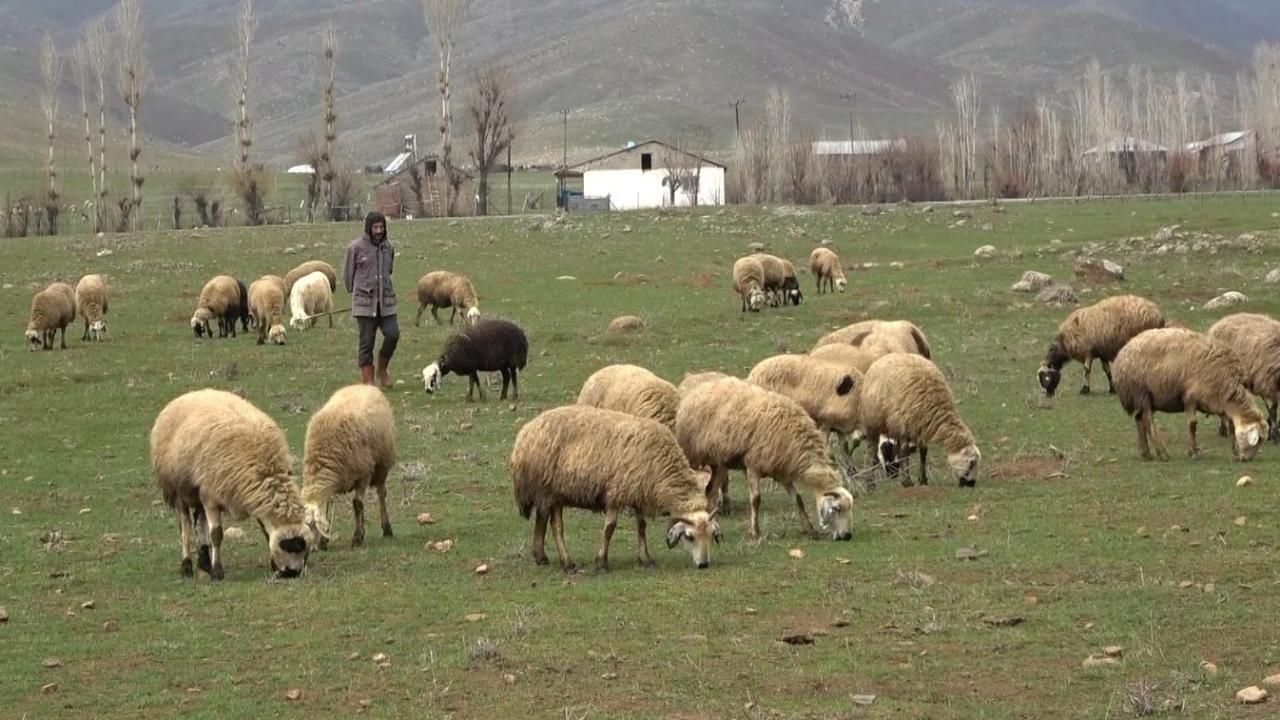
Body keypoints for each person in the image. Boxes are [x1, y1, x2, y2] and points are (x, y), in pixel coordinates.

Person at [343, 211, 400, 387]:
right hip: (365, 304)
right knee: (367, 342)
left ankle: (382, 370)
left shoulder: (387, 248)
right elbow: (348, 275)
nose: (378, 231)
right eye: (375, 227)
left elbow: (388, 270)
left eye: (381, 227)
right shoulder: (355, 248)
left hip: (386, 303)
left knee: (393, 334)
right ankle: (368, 380)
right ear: (368, 228)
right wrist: (357, 293)